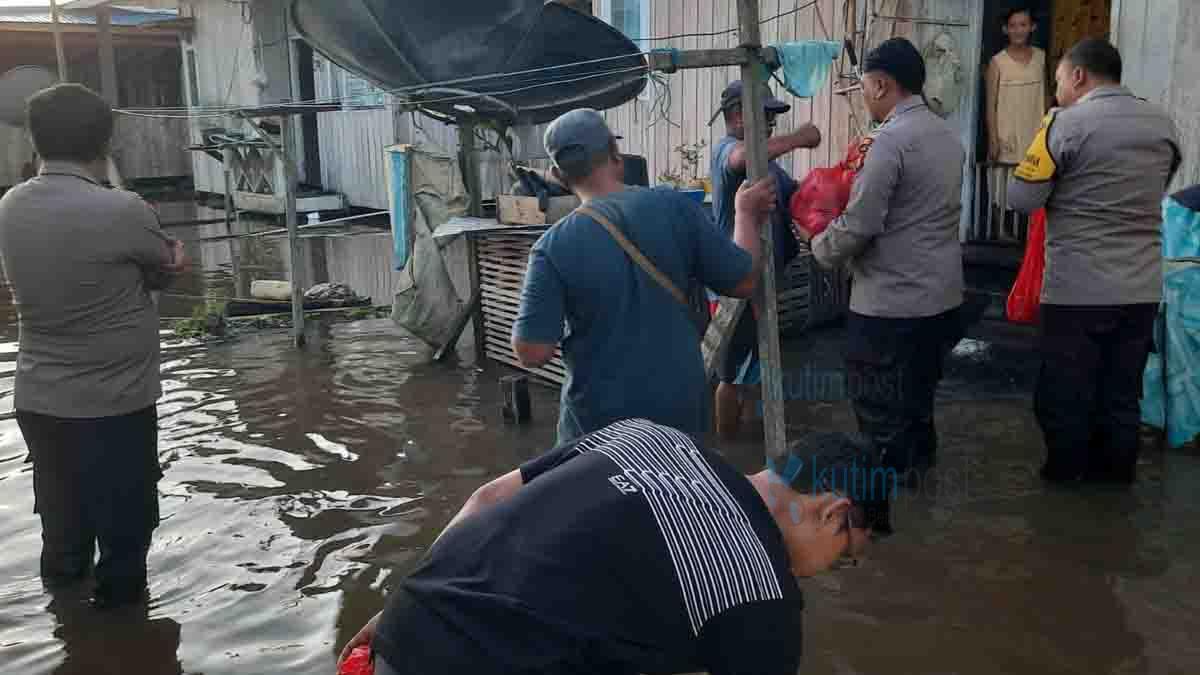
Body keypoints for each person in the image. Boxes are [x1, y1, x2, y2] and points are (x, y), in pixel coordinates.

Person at [337, 420, 893, 675]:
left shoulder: (648, 436)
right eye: (845, 556)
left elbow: (486, 500)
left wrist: (396, 607)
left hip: (409, 621)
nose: (828, 570)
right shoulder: (764, 598)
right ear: (833, 512)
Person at [0, 83, 187, 608]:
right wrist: (174, 257)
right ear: (105, 141)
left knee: (63, 531)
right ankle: (126, 637)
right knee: (125, 538)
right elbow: (164, 267)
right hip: (115, 405)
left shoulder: (10, 205)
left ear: (36, 140)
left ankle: (66, 631)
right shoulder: (123, 209)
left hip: (40, 400)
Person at [512, 108, 777, 444]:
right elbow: (743, 280)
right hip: (677, 419)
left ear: (557, 175)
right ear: (615, 154)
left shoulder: (551, 247)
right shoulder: (674, 207)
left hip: (597, 433)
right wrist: (746, 215)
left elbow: (533, 352)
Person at [1008, 38, 1180, 484]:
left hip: (1076, 291)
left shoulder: (1063, 124)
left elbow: (1022, 199)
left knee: (1065, 398)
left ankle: (1064, 500)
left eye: (1059, 80)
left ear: (1079, 76)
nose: (1058, 90)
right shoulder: (1162, 124)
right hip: (1140, 292)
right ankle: (1116, 494)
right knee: (1121, 398)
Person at [796, 38, 965, 476]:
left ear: (882, 84)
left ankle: (892, 506)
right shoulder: (949, 136)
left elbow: (861, 223)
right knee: (918, 409)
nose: (864, 96)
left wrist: (817, 246)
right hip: (941, 301)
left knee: (882, 417)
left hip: (890, 307)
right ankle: (921, 494)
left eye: (864, 86)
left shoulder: (888, 142)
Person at [709, 79, 822, 439]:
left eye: (773, 117)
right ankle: (727, 447)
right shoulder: (727, 151)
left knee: (757, 365)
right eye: (765, 116)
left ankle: (754, 439)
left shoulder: (770, 168)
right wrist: (799, 138)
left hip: (764, 279)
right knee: (729, 374)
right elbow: (742, 157)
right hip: (734, 284)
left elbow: (798, 195)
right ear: (737, 116)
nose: (772, 124)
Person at [986, 5, 1048, 235]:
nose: (1018, 30)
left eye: (1023, 25)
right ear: (1005, 29)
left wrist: (1047, 129)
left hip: (1034, 129)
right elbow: (991, 104)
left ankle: (1030, 234)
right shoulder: (997, 62)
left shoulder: (1041, 58)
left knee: (1033, 180)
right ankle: (1001, 230)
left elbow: (1046, 96)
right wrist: (993, 139)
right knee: (1003, 182)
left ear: (1032, 27)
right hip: (1007, 131)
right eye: (1013, 26)